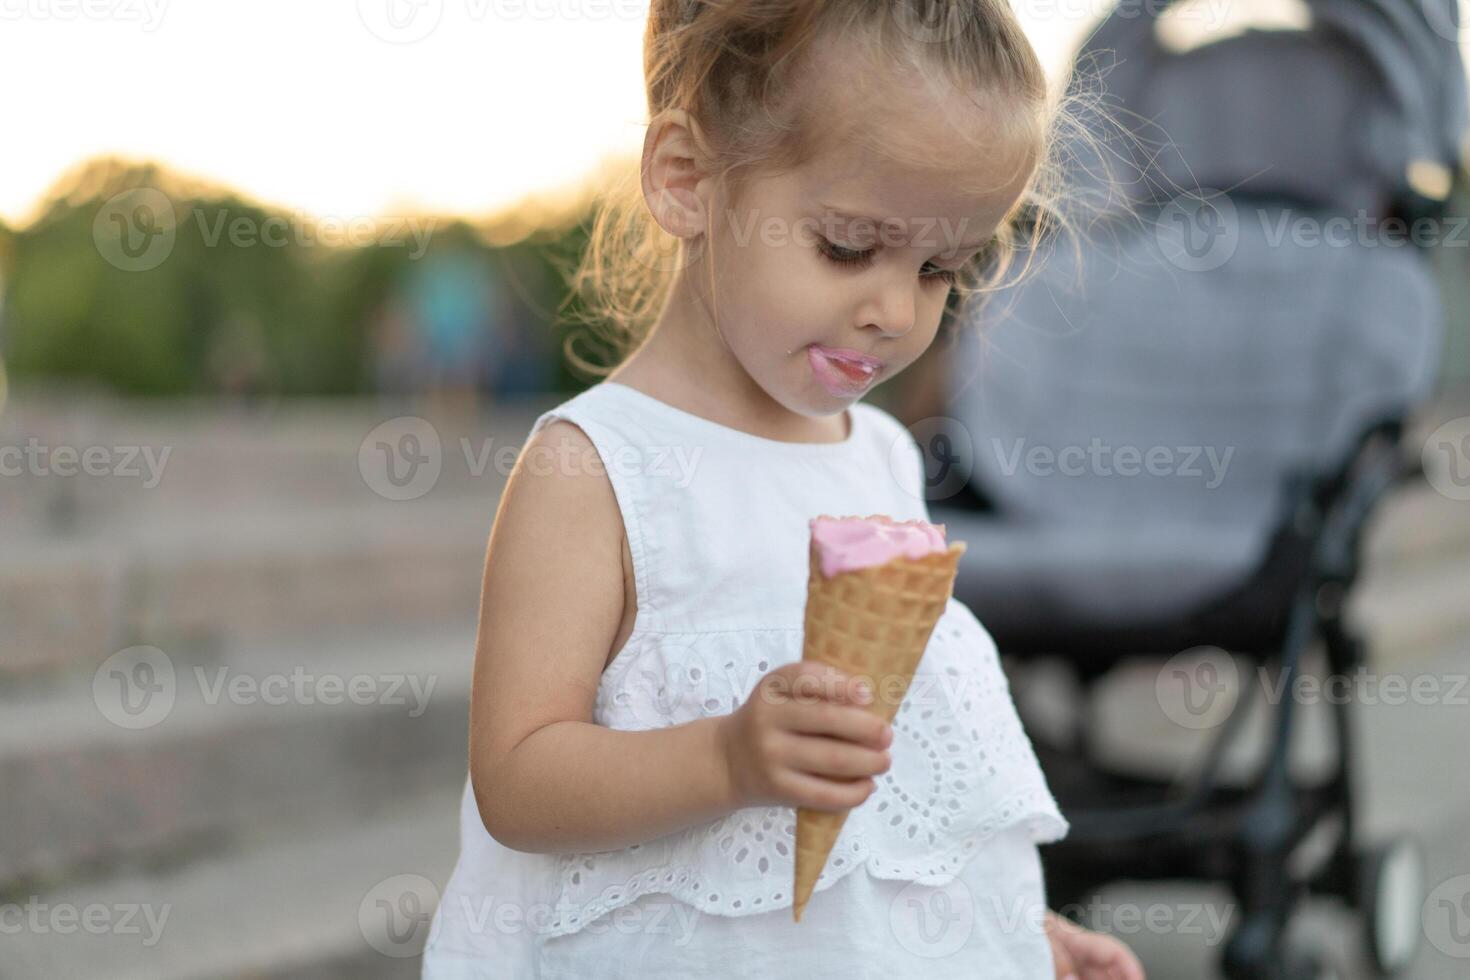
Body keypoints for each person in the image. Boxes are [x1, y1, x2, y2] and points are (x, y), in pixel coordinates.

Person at [422, 2, 1145, 977]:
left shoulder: (883, 457)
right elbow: (517, 775)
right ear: (686, 180)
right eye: (848, 246)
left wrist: (1003, 931)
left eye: (942, 268)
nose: (894, 309)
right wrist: (724, 758)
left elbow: (900, 779)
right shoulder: (594, 465)